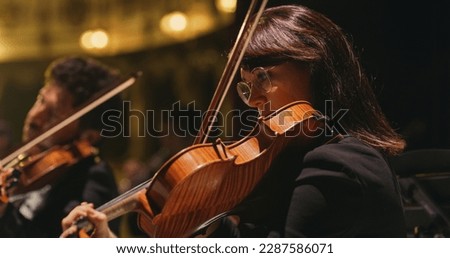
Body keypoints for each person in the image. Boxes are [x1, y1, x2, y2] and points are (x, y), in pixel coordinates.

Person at [61, 5, 406, 238]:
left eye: (264, 78)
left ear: (316, 69)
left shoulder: (338, 164)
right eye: (246, 87)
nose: (255, 101)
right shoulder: (288, 165)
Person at [0, 56, 122, 237]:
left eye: (53, 114)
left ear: (88, 136)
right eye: (40, 100)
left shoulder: (93, 180)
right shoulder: (20, 165)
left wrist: (5, 213)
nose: (35, 116)